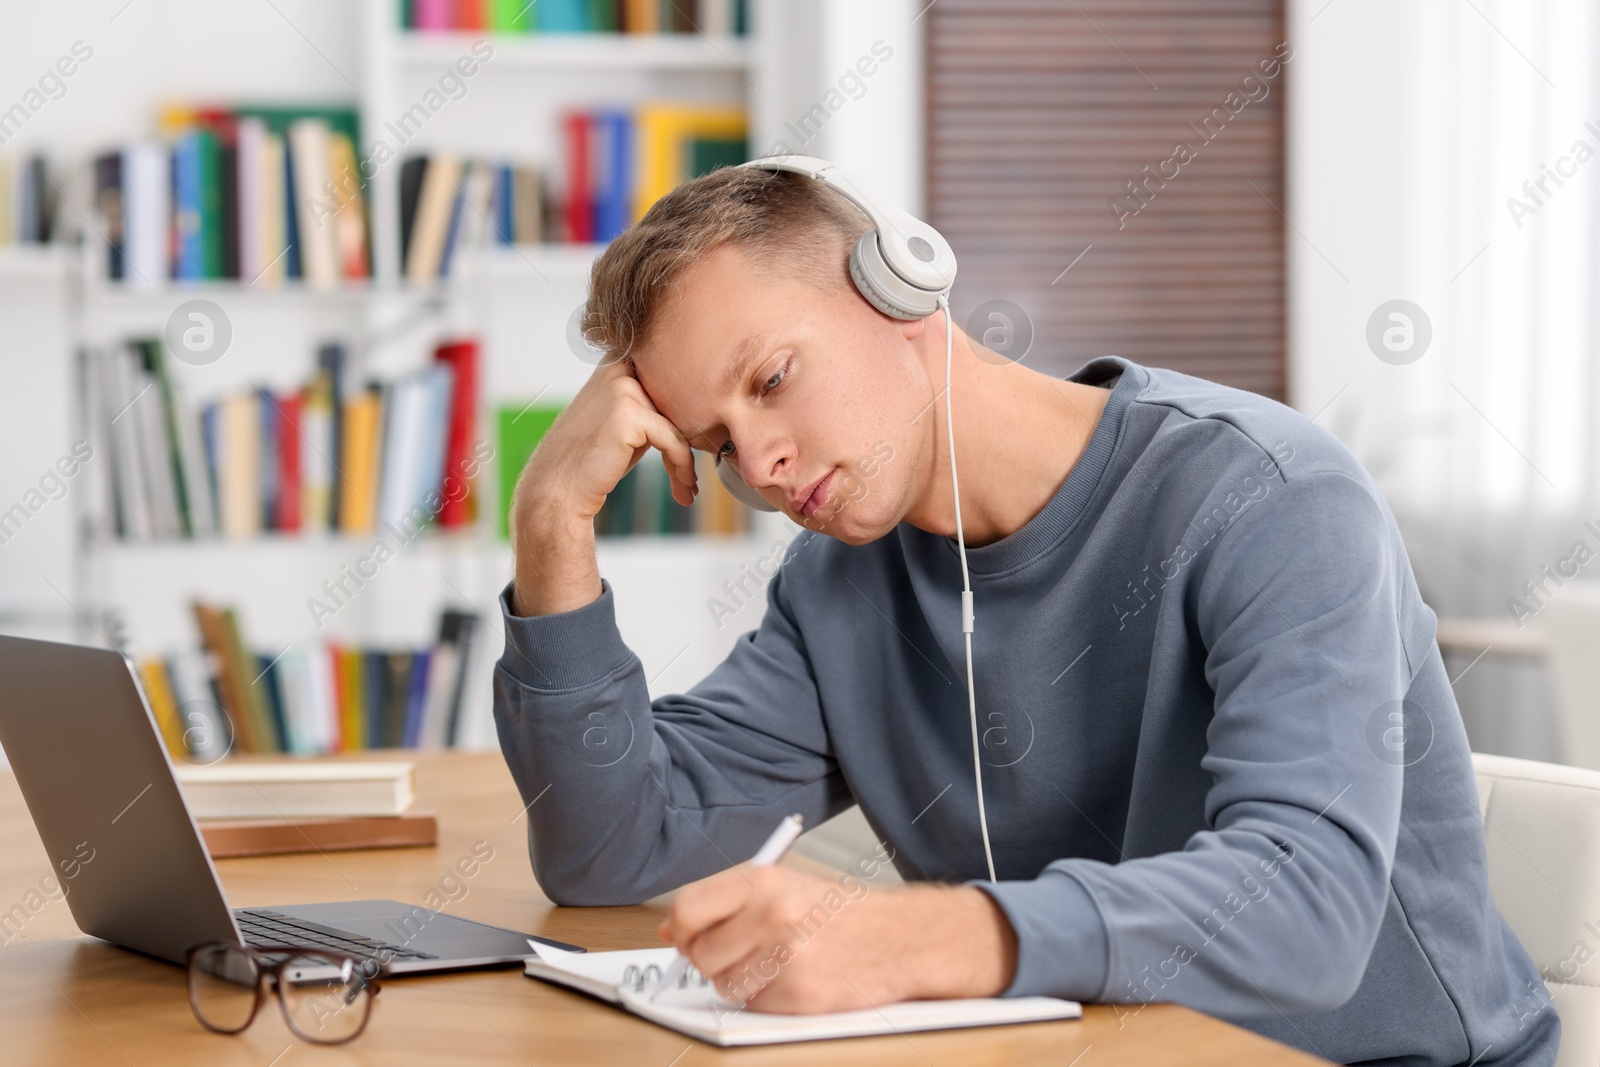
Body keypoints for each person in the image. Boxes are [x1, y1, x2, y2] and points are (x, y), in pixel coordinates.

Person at [493, 162, 1559, 1065]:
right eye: (717, 444)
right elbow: (612, 849)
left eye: (771, 378)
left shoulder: (1269, 494)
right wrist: (549, 523)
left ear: (900, 290)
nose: (760, 465)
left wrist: (918, 939)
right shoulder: (837, 590)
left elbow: (1310, 907)